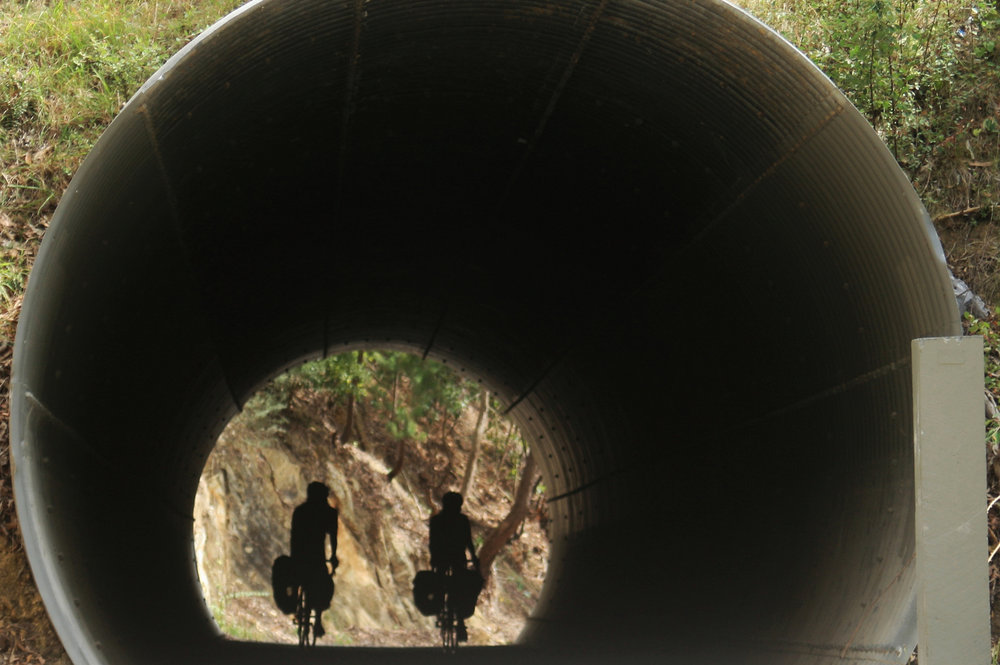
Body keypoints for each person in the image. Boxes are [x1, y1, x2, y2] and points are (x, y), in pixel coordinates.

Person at [290, 481, 339, 639]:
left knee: (297, 579)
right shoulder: (329, 513)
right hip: (317, 558)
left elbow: (294, 537)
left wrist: (294, 556)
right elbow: (333, 538)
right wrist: (333, 557)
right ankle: (317, 621)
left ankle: (296, 606)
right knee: (322, 584)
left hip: (300, 555)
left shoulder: (300, 511)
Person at [429, 491, 479, 642]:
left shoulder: (437, 520)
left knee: (439, 582)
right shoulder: (462, 520)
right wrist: (474, 558)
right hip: (458, 559)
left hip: (441, 559)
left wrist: (433, 558)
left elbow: (433, 542)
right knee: (461, 586)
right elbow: (468, 542)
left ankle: (439, 607)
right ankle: (461, 622)